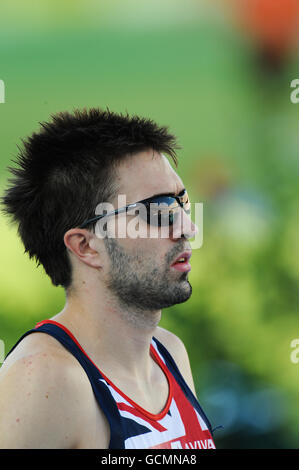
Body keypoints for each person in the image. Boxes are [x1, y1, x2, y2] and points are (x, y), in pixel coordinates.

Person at [0, 108, 216, 449]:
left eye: (182, 203)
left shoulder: (168, 353)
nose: (189, 228)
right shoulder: (45, 379)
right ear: (86, 246)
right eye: (159, 211)